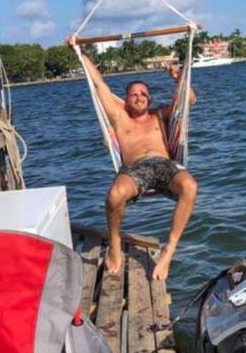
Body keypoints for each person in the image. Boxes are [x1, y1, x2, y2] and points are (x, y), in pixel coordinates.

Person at [68, 35, 197, 280]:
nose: (139, 97)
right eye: (134, 94)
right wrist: (78, 50)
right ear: (125, 99)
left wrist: (179, 77)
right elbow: (98, 85)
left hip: (165, 165)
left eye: (143, 94)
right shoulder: (119, 116)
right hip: (134, 169)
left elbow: (189, 101)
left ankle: (169, 251)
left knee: (190, 186)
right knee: (115, 195)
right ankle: (115, 244)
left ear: (149, 99)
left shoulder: (160, 115)